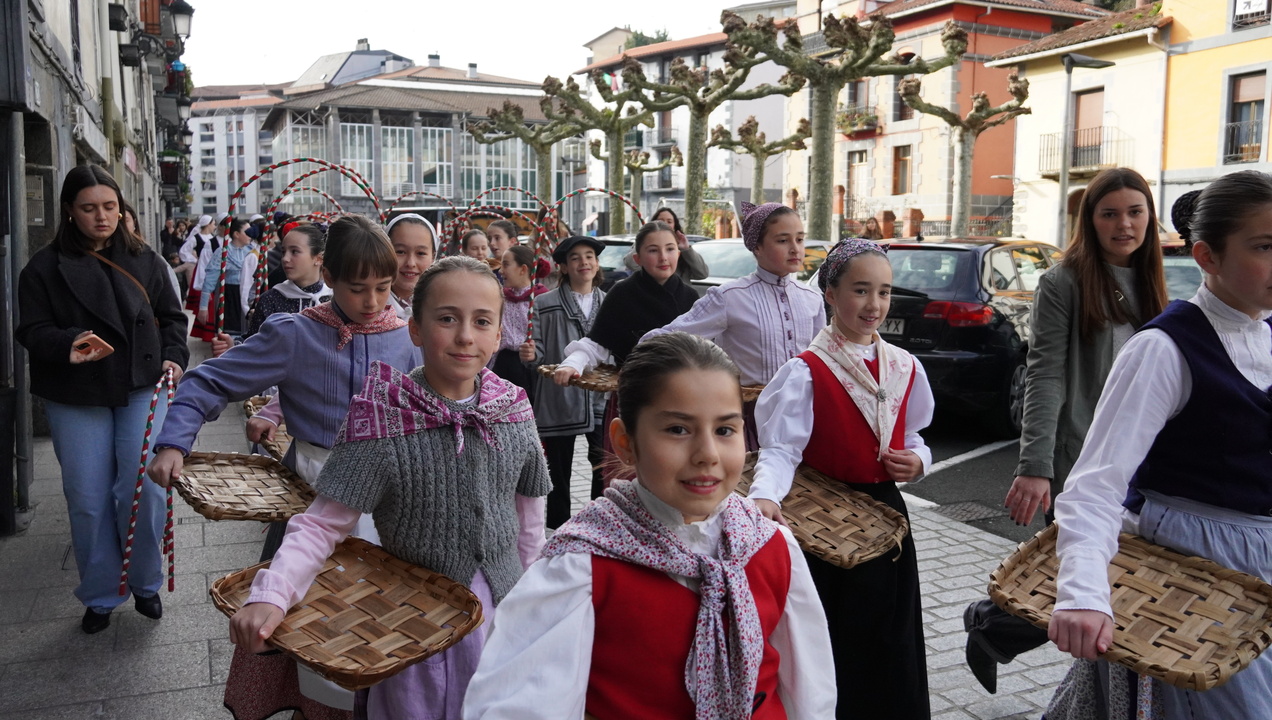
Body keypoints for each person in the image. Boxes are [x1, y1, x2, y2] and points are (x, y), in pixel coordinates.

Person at [226, 255, 551, 720]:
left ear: (499, 334)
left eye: (482, 321)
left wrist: (533, 602)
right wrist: (273, 593)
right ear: (414, 329)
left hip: (498, 621)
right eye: (446, 319)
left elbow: (530, 522)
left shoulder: (513, 409)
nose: (465, 335)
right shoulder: (383, 416)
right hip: (411, 629)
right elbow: (321, 524)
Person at [463, 332, 837, 718]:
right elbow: (519, 705)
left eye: (725, 430)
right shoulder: (581, 566)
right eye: (678, 429)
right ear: (625, 442)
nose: (707, 454)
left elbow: (811, 694)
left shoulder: (771, 545)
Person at [148, 214, 419, 720]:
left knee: (380, 621)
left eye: (383, 288)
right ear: (329, 276)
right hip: (309, 497)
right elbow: (208, 381)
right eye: (358, 288)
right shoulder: (295, 334)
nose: (373, 302)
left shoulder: (409, 337)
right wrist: (173, 443)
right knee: (301, 614)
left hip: (388, 503)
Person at [1047, 171, 1272, 717]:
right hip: (1194, 572)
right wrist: (1083, 593)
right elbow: (1096, 485)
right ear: (1207, 256)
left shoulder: (1267, 332)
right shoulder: (1164, 350)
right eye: (1265, 246)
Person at [962, 167, 1170, 693]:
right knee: (1089, 578)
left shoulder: (1153, 279)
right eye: (1110, 214)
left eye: (1135, 212)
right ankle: (997, 627)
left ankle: (995, 626)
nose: (1124, 224)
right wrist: (1036, 466)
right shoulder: (1064, 281)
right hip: (1082, 459)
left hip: (1142, 459)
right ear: (1090, 220)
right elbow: (1046, 374)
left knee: (1117, 582)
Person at [749, 238, 935, 720]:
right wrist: (765, 496)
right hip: (825, 521)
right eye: (860, 290)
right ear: (830, 294)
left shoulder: (904, 366)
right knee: (835, 635)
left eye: (884, 292)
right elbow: (781, 449)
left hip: (887, 521)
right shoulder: (807, 371)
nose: (874, 304)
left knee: (890, 635)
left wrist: (919, 460)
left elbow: (914, 434)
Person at [16, 164, 189, 634]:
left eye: (110, 206)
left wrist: (174, 357)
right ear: (69, 211)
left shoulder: (145, 258)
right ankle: (100, 592)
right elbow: (30, 329)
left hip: (142, 387)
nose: (102, 217)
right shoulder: (43, 268)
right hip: (77, 395)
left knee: (145, 489)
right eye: (89, 208)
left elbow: (173, 319)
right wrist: (67, 344)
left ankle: (145, 581)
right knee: (88, 499)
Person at [642, 202, 825, 449]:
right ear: (757, 246)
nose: (795, 248)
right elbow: (666, 339)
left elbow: (819, 361)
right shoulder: (730, 297)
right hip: (745, 421)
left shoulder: (812, 298)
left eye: (800, 239)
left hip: (801, 418)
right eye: (783, 240)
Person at [520, 235, 608, 524]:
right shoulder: (543, 303)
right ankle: (558, 527)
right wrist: (530, 354)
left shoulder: (610, 303)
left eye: (590, 256)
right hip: (559, 396)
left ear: (597, 264)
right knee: (558, 470)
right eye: (575, 258)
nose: (584, 262)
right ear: (564, 267)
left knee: (602, 464)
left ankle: (598, 524)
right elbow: (538, 353)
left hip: (600, 396)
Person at [491, 244, 548, 399]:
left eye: (506, 265)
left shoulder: (540, 300)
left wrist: (535, 353)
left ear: (523, 269)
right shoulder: (500, 298)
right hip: (501, 364)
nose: (500, 271)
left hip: (528, 366)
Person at [197, 217, 255, 338]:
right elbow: (210, 280)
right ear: (236, 234)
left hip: (248, 297)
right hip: (229, 297)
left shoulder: (252, 252)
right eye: (247, 232)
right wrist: (203, 307)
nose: (251, 235)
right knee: (230, 335)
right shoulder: (222, 252)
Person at [385, 213, 437, 320]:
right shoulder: (368, 306)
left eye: (421, 253)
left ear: (433, 256)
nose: (410, 263)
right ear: (385, 252)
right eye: (400, 252)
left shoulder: (443, 302)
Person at [643, 206, 709, 282]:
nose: (665, 224)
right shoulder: (646, 246)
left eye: (669, 221)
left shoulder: (684, 253)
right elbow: (633, 265)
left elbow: (702, 274)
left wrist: (686, 249)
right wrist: (644, 239)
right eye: (661, 221)